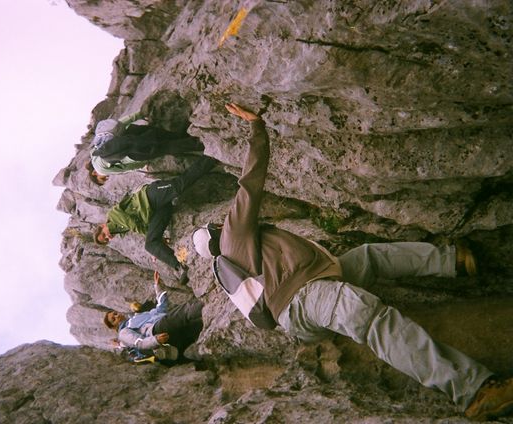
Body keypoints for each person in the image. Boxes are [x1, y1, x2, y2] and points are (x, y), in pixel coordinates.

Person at [191, 103, 513, 421]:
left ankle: (453, 261)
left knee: (368, 258)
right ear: (217, 231)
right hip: (306, 298)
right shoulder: (233, 237)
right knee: (374, 320)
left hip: (307, 301)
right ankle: (474, 391)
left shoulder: (235, 264)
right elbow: (250, 184)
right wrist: (257, 128)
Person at [95, 155, 217, 284]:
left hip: (150, 196)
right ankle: (179, 266)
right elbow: (141, 227)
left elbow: (133, 223)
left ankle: (210, 158)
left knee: (179, 185)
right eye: (107, 240)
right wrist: (157, 241)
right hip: (157, 211)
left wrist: (153, 235)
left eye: (104, 234)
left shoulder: (113, 216)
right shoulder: (121, 230)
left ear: (103, 225)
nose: (108, 236)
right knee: (150, 244)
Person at [103, 271, 203, 362]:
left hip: (162, 324)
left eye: (115, 313)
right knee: (185, 311)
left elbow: (160, 309)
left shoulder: (136, 317)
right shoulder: (123, 333)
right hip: (157, 329)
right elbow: (138, 342)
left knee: (196, 326)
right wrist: (155, 340)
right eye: (113, 319)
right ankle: (207, 303)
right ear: (113, 327)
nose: (117, 316)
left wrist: (157, 287)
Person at [89, 112, 204, 184]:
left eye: (103, 179)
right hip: (132, 132)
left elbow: (127, 167)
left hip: (135, 152)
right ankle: (190, 132)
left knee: (166, 147)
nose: (106, 178)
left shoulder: (100, 169)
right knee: (161, 135)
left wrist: (143, 163)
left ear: (94, 173)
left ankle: (201, 143)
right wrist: (138, 114)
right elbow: (118, 125)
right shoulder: (97, 147)